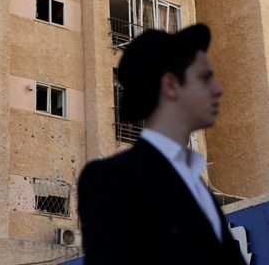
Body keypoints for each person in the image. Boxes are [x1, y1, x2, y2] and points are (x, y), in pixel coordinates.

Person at [77, 24, 245, 264]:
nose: (218, 89)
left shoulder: (196, 186)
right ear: (171, 85)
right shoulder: (112, 178)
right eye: (205, 78)